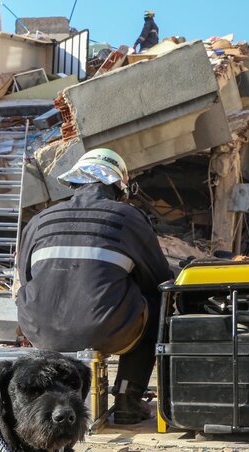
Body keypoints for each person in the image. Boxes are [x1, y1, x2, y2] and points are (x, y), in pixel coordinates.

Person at [16, 148, 172, 424]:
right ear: (119, 186)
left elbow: (26, 278)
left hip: (39, 331)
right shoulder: (128, 217)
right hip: (103, 331)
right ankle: (127, 400)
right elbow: (158, 280)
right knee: (159, 306)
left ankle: (58, 400)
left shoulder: (40, 220)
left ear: (74, 182)